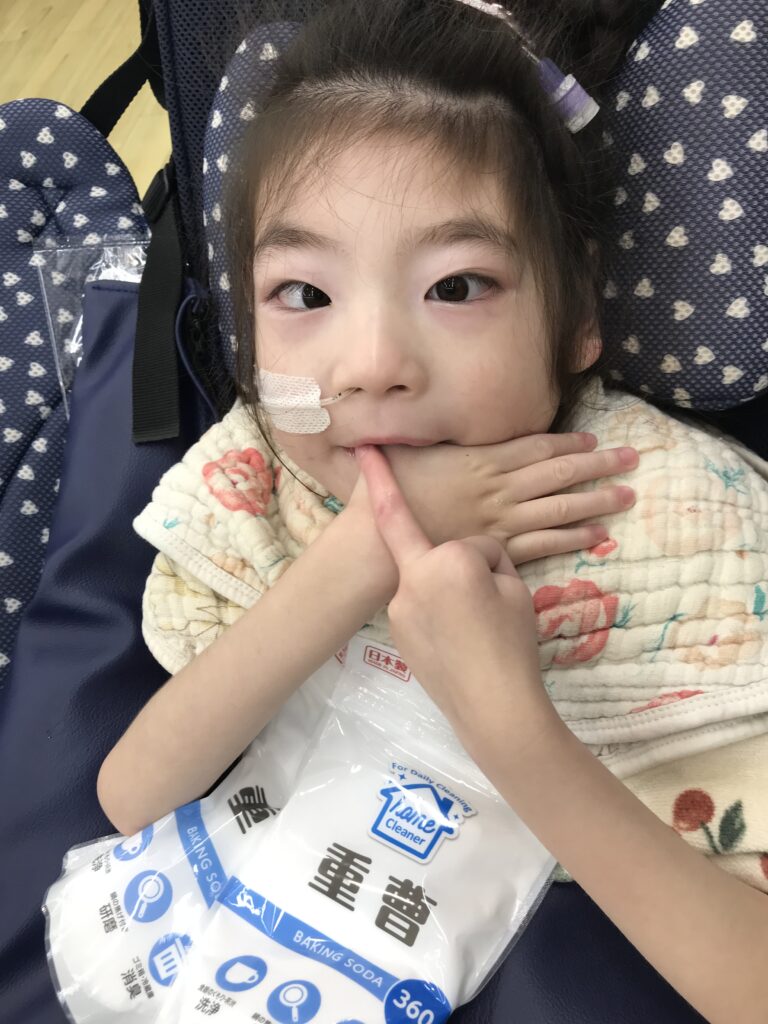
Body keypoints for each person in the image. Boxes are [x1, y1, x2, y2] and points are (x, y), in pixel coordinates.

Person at [93, 2, 767, 1021]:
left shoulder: (674, 514)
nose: (371, 366)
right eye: (303, 295)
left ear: (578, 313)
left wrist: (511, 726)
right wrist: (368, 542)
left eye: (456, 286)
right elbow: (133, 794)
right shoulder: (261, 480)